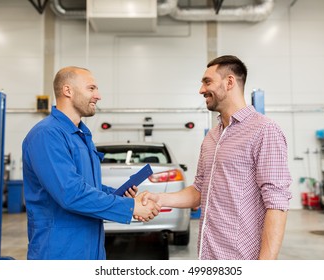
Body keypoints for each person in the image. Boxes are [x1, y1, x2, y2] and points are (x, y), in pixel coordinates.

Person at [141, 55, 292, 260]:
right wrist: (160, 198)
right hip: (209, 256)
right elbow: (199, 190)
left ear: (229, 82)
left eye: (207, 82)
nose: (201, 90)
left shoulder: (264, 131)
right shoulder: (212, 137)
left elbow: (276, 204)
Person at [22, 66, 160, 260]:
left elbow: (85, 185)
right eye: (91, 88)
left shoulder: (82, 135)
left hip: (91, 248)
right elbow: (70, 193)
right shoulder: (47, 135)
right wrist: (130, 207)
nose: (98, 95)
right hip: (58, 251)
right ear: (68, 90)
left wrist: (117, 194)